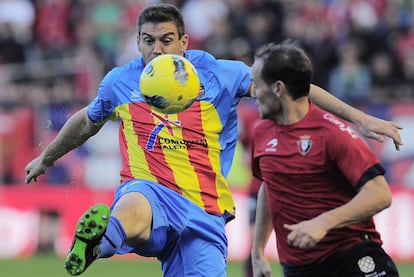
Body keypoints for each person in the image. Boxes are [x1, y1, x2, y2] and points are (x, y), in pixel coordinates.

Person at [24, 4, 402, 277]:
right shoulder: (120, 81)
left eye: (167, 40)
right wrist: (47, 158)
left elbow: (293, 88)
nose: (157, 50)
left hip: (206, 212)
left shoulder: (221, 73)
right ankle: (100, 243)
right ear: (137, 42)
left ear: (184, 41)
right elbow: (86, 122)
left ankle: (106, 238)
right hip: (151, 190)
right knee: (135, 205)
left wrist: (360, 118)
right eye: (148, 41)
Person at [250, 40, 400, 277]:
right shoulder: (261, 132)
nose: (253, 93)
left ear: (278, 89)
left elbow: (380, 194)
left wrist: (322, 222)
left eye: (257, 86)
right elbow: (269, 186)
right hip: (298, 269)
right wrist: (257, 251)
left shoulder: (333, 134)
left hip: (353, 260)